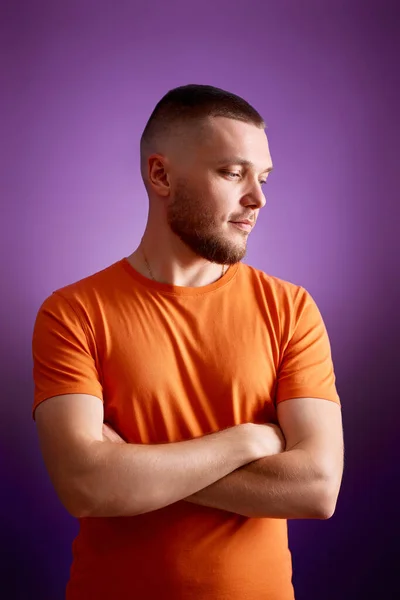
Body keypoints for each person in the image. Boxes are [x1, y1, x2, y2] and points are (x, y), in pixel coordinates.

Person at [32, 83, 344, 600]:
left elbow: (316, 488)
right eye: (232, 172)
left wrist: (131, 466)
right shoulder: (73, 312)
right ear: (161, 175)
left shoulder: (291, 309)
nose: (258, 198)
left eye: (263, 177)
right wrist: (248, 441)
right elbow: (84, 485)